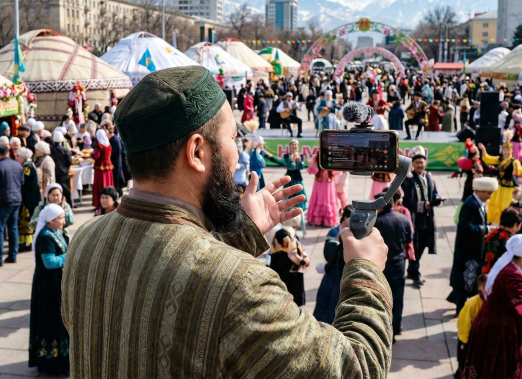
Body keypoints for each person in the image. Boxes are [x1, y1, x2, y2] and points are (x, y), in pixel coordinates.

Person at [64, 66, 392, 376]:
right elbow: (356, 368)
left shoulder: (86, 240)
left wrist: (241, 234)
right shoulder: (243, 285)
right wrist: (366, 272)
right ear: (197, 152)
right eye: (233, 138)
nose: (237, 155)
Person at [458, 234, 522, 379]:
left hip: (494, 326)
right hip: (499, 332)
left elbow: (512, 296)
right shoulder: (512, 274)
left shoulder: (507, 266)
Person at [28, 203, 70, 375]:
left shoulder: (55, 232)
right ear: (50, 221)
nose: (63, 221)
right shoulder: (45, 237)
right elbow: (49, 262)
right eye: (59, 218)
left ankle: (61, 360)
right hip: (47, 286)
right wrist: (70, 255)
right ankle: (53, 364)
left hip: (55, 282)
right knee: (52, 320)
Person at [450, 177, 496, 314]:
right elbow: (465, 227)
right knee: (466, 281)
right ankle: (460, 309)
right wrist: (487, 229)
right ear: (480, 191)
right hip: (467, 251)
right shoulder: (471, 204)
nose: (489, 196)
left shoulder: (479, 203)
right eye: (488, 193)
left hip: (473, 249)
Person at [373, 192, 413, 341]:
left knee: (382, 301)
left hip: (382, 267)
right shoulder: (403, 219)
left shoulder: (376, 222)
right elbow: (409, 239)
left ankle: (384, 330)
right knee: (397, 298)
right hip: (399, 265)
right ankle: (396, 327)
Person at [401, 146, 442, 286]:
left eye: (422, 162)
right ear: (412, 164)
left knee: (424, 243)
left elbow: (435, 191)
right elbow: (405, 200)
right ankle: (415, 272)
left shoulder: (429, 176)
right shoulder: (408, 179)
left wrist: (437, 197)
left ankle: (412, 270)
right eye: (417, 162)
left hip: (428, 217)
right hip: (414, 218)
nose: (420, 165)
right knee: (416, 245)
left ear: (426, 163)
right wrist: (421, 205)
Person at [0, 145, 24, 268]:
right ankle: (13, 255)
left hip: (3, 201)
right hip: (16, 200)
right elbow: (22, 182)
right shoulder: (17, 165)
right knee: (13, 228)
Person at [313, 206, 352, 324]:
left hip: (338, 277)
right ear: (345, 217)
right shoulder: (334, 232)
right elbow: (327, 254)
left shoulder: (353, 234)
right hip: (332, 276)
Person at [479, 141, 522, 224]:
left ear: (511, 151)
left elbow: (520, 171)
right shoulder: (499, 159)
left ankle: (505, 222)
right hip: (499, 187)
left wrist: (518, 168)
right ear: (502, 151)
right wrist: (483, 149)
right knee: (495, 203)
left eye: (508, 150)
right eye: (504, 150)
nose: (506, 152)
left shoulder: (514, 161)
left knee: (506, 205)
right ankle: (496, 221)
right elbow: (488, 158)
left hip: (509, 188)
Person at [268, 227, 309, 306]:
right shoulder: (295, 253)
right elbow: (305, 262)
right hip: (297, 291)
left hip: (283, 294)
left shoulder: (275, 256)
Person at [456, 274, 487, 370]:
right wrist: (465, 342)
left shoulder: (496, 302)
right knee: (464, 366)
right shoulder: (472, 303)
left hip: (483, 343)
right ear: (480, 287)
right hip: (469, 342)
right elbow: (464, 325)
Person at [481, 207, 522, 274]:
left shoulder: (492, 234)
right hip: (500, 274)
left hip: (485, 271)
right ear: (515, 225)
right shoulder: (512, 241)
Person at [16, 148, 41, 253]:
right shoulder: (31, 164)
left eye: (18, 156)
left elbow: (24, 183)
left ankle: (25, 243)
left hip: (27, 197)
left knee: (25, 219)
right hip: (31, 195)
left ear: (23, 157)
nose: (17, 158)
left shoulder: (27, 167)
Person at [306, 151, 339, 227]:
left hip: (328, 180)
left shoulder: (331, 154)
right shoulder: (317, 155)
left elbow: (335, 169)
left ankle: (328, 221)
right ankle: (317, 220)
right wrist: (312, 163)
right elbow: (313, 169)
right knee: (319, 198)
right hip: (319, 180)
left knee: (327, 199)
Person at [90, 129, 114, 209]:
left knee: (100, 185)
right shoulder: (108, 144)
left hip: (100, 169)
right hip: (108, 169)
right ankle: (109, 203)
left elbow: (96, 156)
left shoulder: (99, 145)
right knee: (108, 184)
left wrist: (91, 154)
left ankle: (100, 204)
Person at [50, 131, 73, 198]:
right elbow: (69, 162)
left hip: (54, 173)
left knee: (55, 193)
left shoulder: (50, 149)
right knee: (66, 193)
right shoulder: (65, 150)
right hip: (64, 174)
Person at [107, 125, 126, 194]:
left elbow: (114, 151)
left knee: (116, 177)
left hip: (116, 161)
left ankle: (119, 191)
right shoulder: (115, 138)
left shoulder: (114, 139)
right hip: (117, 160)